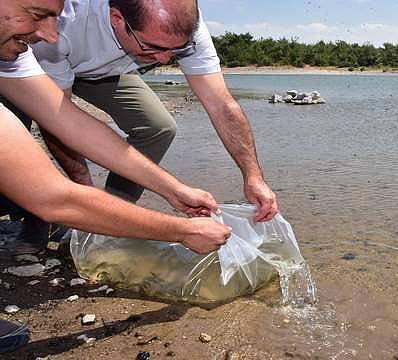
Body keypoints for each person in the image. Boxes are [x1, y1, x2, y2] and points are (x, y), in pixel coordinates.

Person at [0, 0, 229, 353]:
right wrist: (181, 231)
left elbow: (70, 122)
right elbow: (50, 197)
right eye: (36, 15)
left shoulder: (12, 54)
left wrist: (173, 189)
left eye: (53, 16)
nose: (49, 33)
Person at [25, 0, 278, 222]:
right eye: (153, 47)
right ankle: (45, 210)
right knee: (20, 132)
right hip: (41, 68)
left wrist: (253, 175)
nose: (165, 60)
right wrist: (85, 191)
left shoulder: (186, 30)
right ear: (117, 19)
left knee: (158, 126)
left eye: (176, 50)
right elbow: (58, 121)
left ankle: (117, 212)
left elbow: (221, 104)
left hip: (109, 73)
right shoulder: (63, 24)